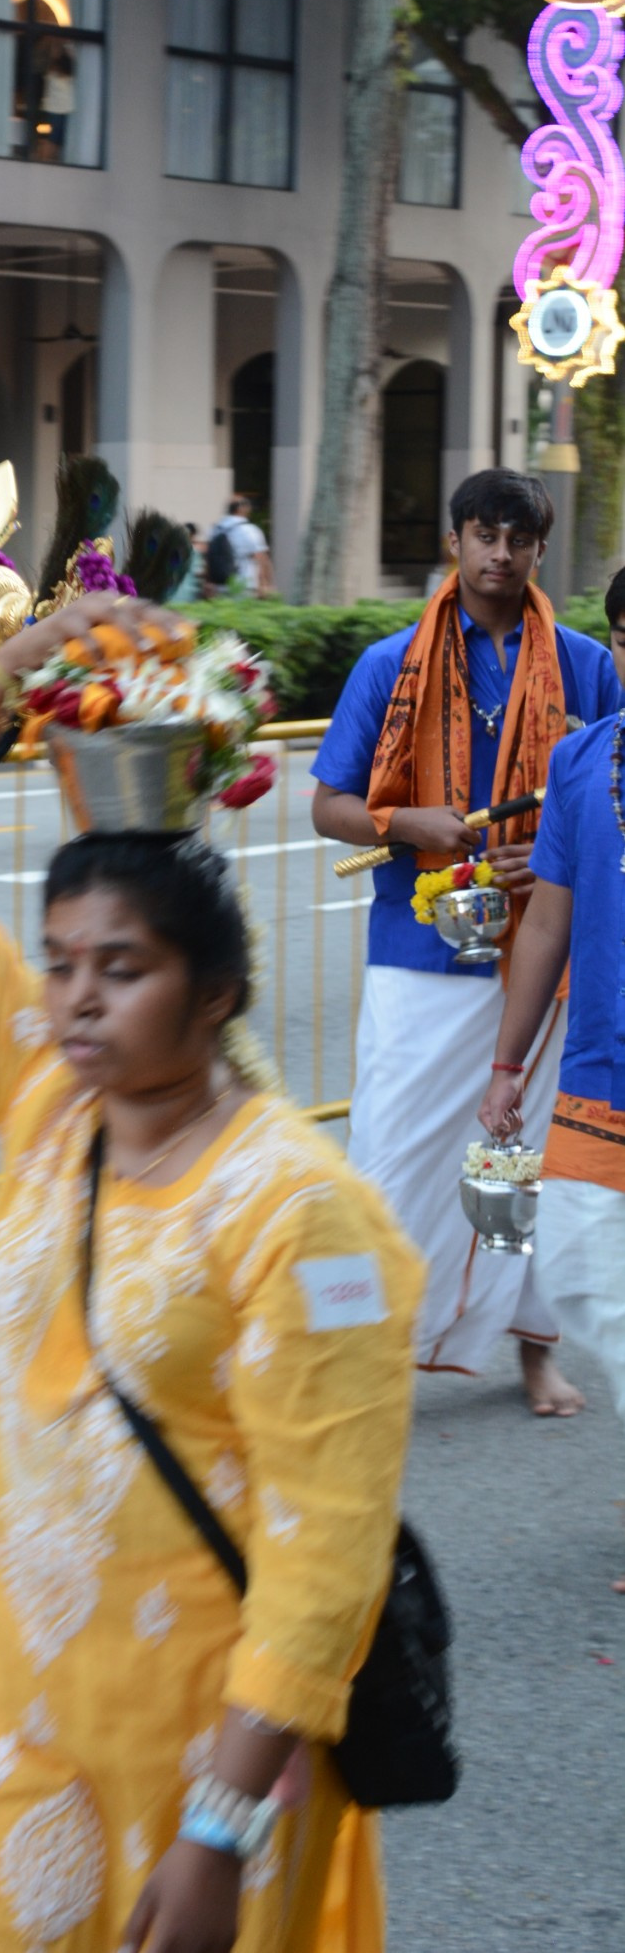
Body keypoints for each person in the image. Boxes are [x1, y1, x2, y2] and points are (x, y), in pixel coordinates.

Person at [0, 591, 420, 1953]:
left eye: (121, 969)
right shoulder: (47, 1100)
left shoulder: (300, 1214)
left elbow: (324, 1550)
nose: (75, 998)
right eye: (56, 967)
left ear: (214, 993)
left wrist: (219, 1833)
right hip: (9, 1705)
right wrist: (0, 681)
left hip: (200, 1748)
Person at [311, 467, 618, 1411]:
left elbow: (598, 802)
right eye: (481, 534)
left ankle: (531, 1348)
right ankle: (348, 1344)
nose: (498, 553)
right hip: (417, 947)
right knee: (388, 1155)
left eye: (516, 540)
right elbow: (327, 806)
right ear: (454, 542)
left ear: (537, 552)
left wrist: (550, 860)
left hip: (537, 949)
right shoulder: (387, 664)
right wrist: (407, 825)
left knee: (519, 1159)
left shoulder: (582, 664)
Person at [481, 567, 625, 1590]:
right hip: (596, 1075)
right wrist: (506, 1064)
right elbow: (547, 926)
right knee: (583, 1273)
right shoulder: (582, 763)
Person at [205, 494, 273, 598]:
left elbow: (208, 557)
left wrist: (208, 582)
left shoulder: (215, 530)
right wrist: (266, 584)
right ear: (241, 509)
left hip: (218, 586)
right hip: (244, 586)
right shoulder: (250, 530)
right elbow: (261, 559)